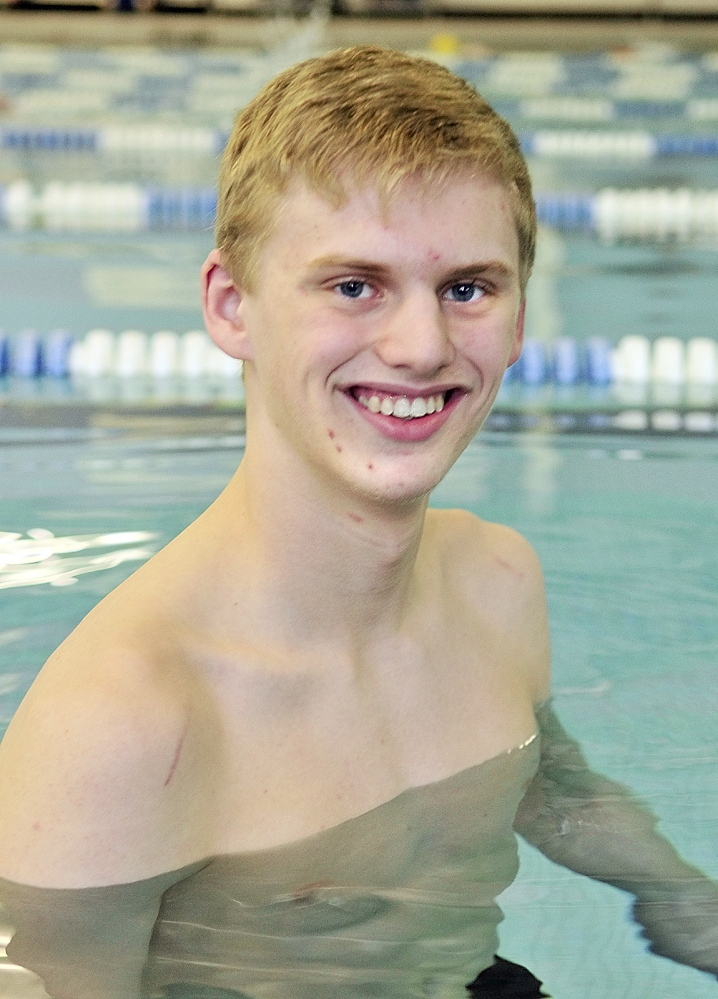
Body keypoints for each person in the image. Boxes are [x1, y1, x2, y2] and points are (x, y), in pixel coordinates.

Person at [0, 45, 717, 999]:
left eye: (467, 287)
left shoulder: (497, 580)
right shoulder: (128, 726)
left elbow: (552, 783)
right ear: (231, 305)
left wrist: (677, 894)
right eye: (353, 285)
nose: (421, 347)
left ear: (515, 320)